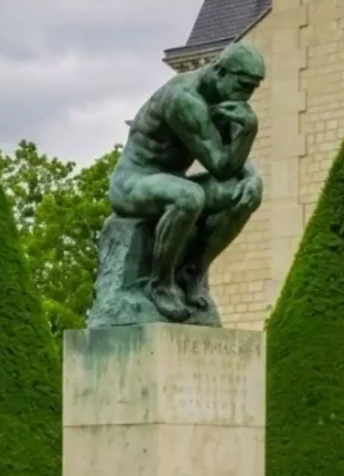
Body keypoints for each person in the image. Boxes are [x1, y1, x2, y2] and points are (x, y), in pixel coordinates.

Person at [108, 42, 266, 321]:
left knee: (242, 193)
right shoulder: (184, 98)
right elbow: (221, 166)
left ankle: (192, 273)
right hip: (133, 182)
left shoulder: (226, 99)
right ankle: (160, 284)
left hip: (171, 182)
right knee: (189, 197)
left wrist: (253, 178)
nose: (247, 96)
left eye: (253, 88)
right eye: (243, 86)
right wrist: (249, 131)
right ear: (220, 72)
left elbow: (234, 161)